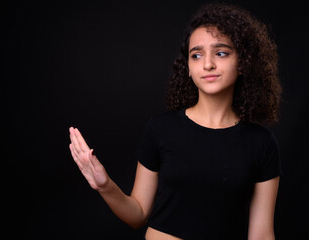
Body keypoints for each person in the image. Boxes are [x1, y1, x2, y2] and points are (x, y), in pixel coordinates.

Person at [69, 2, 282, 239]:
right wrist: (105, 186)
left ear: (243, 63)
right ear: (188, 68)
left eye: (221, 53)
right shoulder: (161, 128)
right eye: (196, 55)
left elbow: (261, 234)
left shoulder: (261, 143)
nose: (208, 64)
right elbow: (137, 214)